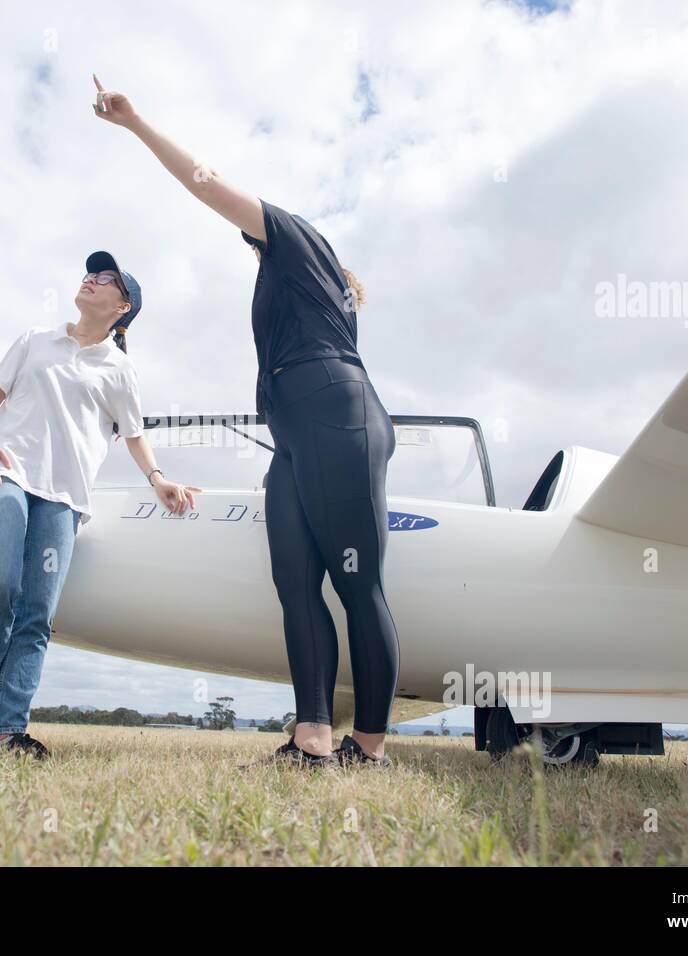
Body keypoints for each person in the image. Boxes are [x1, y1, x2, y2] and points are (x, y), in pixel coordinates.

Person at [93, 75, 398, 767]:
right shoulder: (285, 276)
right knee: (294, 580)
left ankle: (370, 747)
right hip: (294, 428)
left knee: (357, 581)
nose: (246, 240)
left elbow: (205, 182)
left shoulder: (296, 239)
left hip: (333, 410)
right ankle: (313, 736)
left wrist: (137, 123)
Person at [0, 251, 201, 759]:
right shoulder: (35, 340)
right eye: (92, 273)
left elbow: (134, 434)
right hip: (5, 472)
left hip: (65, 496)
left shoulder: (120, 370)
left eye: (107, 279)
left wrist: (158, 478)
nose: (92, 279)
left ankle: (7, 730)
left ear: (122, 307)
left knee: (38, 613)